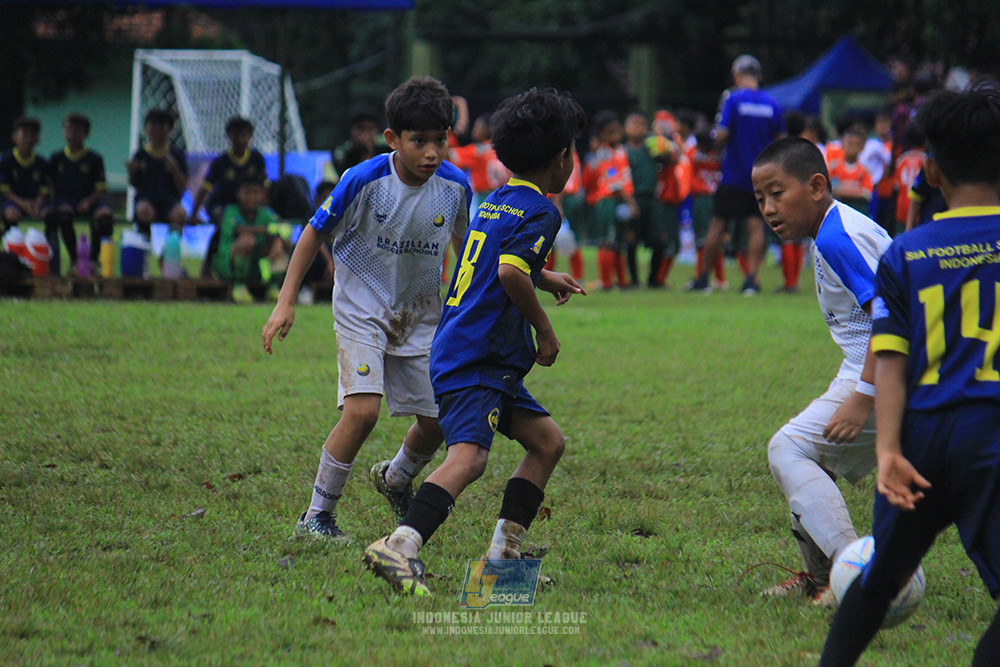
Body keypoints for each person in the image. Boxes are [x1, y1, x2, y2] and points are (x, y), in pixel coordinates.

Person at [363, 87, 587, 596]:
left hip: (472, 351)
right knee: (469, 457)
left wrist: (544, 277)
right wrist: (544, 331)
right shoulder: (544, 212)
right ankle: (399, 545)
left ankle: (503, 564)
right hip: (479, 357)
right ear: (561, 158)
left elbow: (495, 261)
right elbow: (509, 271)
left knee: (547, 442)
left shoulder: (500, 199)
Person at [819, 84, 1000, 667]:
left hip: (919, 439)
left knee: (878, 582)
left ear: (933, 170)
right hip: (991, 441)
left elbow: (890, 357)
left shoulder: (908, 251)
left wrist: (889, 450)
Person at [261, 76, 471, 541]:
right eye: (419, 142)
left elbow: (466, 247)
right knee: (362, 413)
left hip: (419, 315)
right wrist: (285, 301)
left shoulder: (455, 186)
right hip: (360, 309)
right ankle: (315, 516)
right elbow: (313, 232)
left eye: (440, 140)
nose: (432, 153)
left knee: (440, 418)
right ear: (393, 139)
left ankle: (395, 478)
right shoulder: (364, 180)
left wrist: (467, 302)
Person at [751, 137, 892, 605]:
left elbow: (889, 315)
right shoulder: (835, 229)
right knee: (810, 455)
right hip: (876, 367)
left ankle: (856, 575)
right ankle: (824, 578)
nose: (768, 208)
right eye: (760, 199)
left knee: (789, 448)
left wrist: (864, 395)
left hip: (888, 371)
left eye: (777, 193)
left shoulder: (836, 237)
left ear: (816, 186)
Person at [687, 55, 784, 295]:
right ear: (758, 75)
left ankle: (703, 280)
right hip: (761, 175)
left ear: (736, 75)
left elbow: (720, 134)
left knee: (718, 225)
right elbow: (781, 140)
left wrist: (710, 142)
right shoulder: (772, 103)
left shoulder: (733, 98)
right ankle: (751, 280)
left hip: (733, 175)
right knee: (755, 226)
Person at [189, 116, 268, 275]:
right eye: (236, 135)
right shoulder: (221, 162)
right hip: (222, 205)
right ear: (229, 137)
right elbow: (205, 188)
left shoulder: (256, 159)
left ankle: (252, 270)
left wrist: (264, 208)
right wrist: (194, 213)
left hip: (248, 206)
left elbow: (264, 188)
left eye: (244, 135)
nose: (240, 139)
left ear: (250, 137)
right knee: (226, 224)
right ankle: (212, 264)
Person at [47, 112, 113, 275]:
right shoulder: (57, 158)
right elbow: (50, 185)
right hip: (65, 201)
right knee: (63, 215)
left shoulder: (94, 158)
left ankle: (94, 259)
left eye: (76, 130)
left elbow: (101, 188)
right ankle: (75, 259)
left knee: (104, 217)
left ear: (86, 134)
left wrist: (89, 202)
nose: (71, 134)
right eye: (68, 129)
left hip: (90, 200)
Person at [582, 110, 638, 290]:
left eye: (617, 130)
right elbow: (614, 181)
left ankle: (622, 281)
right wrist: (630, 202)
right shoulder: (605, 153)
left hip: (620, 200)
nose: (616, 134)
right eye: (610, 132)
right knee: (607, 242)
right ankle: (606, 282)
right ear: (602, 135)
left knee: (619, 243)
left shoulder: (620, 150)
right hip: (609, 200)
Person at [211, 177, 285, 304]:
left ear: (262, 195)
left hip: (255, 266)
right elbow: (240, 229)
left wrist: (276, 237)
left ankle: (274, 286)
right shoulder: (230, 211)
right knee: (247, 240)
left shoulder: (265, 214)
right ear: (238, 194)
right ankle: (239, 286)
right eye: (247, 192)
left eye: (255, 193)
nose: (251, 197)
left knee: (278, 242)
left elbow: (280, 229)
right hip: (228, 264)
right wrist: (267, 230)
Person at [624, 111, 670, 288]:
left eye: (642, 125)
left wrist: (661, 141)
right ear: (626, 127)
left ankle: (654, 278)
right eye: (634, 124)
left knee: (659, 240)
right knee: (631, 240)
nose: (638, 128)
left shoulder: (652, 148)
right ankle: (633, 279)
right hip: (632, 198)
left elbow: (670, 158)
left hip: (652, 199)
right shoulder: (624, 151)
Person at [127, 108, 187, 237]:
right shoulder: (141, 154)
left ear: (169, 129)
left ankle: (170, 250)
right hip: (146, 199)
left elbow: (182, 186)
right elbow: (134, 183)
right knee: (144, 210)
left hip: (169, 202)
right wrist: (131, 172)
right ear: (146, 128)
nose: (157, 129)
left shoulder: (176, 154)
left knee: (179, 214)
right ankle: (145, 242)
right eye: (153, 125)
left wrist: (174, 168)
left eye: (161, 125)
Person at [0, 117, 50, 234]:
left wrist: (37, 203)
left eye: (33, 135)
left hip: (35, 202)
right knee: (11, 214)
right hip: (12, 201)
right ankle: (11, 245)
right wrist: (23, 203)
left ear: (37, 139)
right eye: (25, 134)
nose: (29, 138)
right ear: (14, 137)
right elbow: (6, 191)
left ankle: (52, 250)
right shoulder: (5, 161)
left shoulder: (41, 162)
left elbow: (44, 189)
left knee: (50, 215)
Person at [828, 126, 874, 213]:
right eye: (850, 143)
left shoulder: (865, 170)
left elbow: (866, 194)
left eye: (857, 144)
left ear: (862, 147)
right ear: (842, 143)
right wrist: (856, 191)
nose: (853, 148)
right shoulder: (834, 167)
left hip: (858, 211)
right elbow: (829, 190)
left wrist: (840, 190)